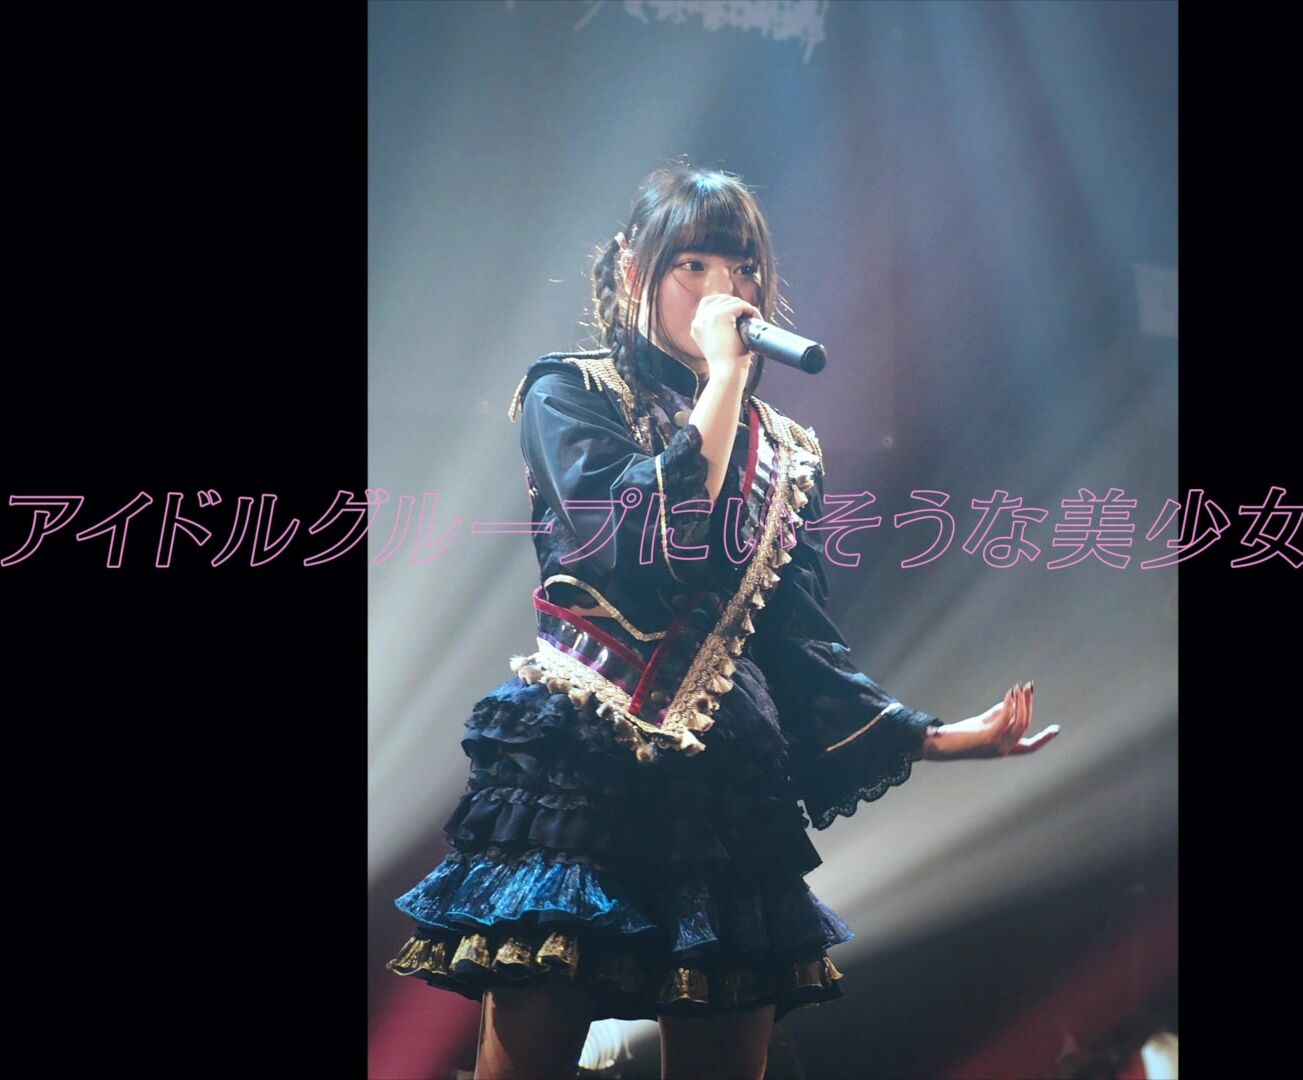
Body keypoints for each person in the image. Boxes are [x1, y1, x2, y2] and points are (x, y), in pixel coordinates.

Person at [386, 164, 1059, 1080]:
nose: (724, 290)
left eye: (742, 268)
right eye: (693, 264)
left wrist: (938, 739)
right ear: (635, 272)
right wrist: (726, 380)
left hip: (726, 787)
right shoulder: (568, 395)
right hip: (582, 772)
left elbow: (799, 643)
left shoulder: (781, 451)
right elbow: (638, 549)